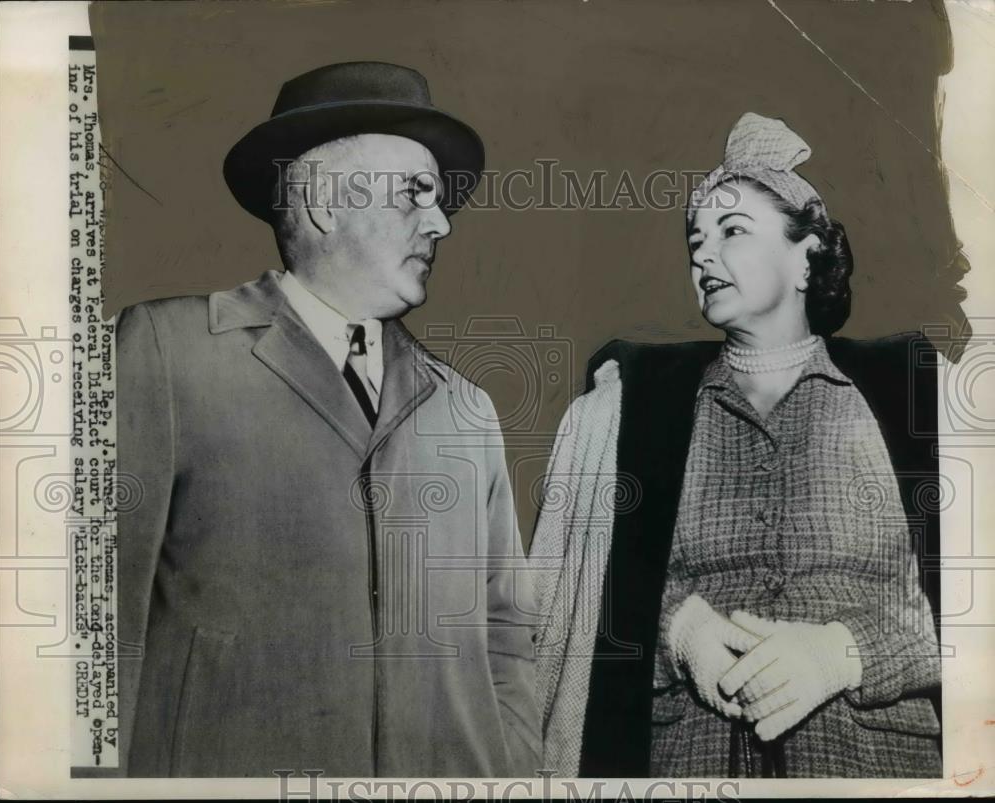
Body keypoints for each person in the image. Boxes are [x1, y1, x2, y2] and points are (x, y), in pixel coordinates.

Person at [117, 61, 540, 777]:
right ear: (321, 203)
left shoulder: (467, 409)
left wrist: (517, 771)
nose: (442, 222)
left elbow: (507, 633)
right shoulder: (165, 351)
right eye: (417, 194)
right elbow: (94, 625)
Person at [532, 112, 942, 778]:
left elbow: (971, 609)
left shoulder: (922, 402)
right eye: (695, 239)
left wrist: (847, 652)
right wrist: (679, 633)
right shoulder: (629, 412)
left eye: (732, 232)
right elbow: (569, 602)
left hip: (876, 765)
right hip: (686, 762)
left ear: (808, 254)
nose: (702, 255)